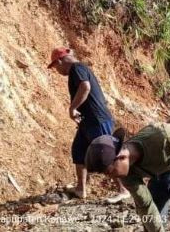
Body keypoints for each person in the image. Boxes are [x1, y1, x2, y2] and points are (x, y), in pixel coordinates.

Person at [47, 47, 130, 202]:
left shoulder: (77, 68)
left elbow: (85, 87)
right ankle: (81, 189)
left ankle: (124, 189)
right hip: (88, 121)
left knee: (106, 155)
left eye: (55, 66)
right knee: (78, 150)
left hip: (97, 120)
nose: (57, 70)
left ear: (59, 61)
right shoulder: (78, 69)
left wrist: (73, 107)